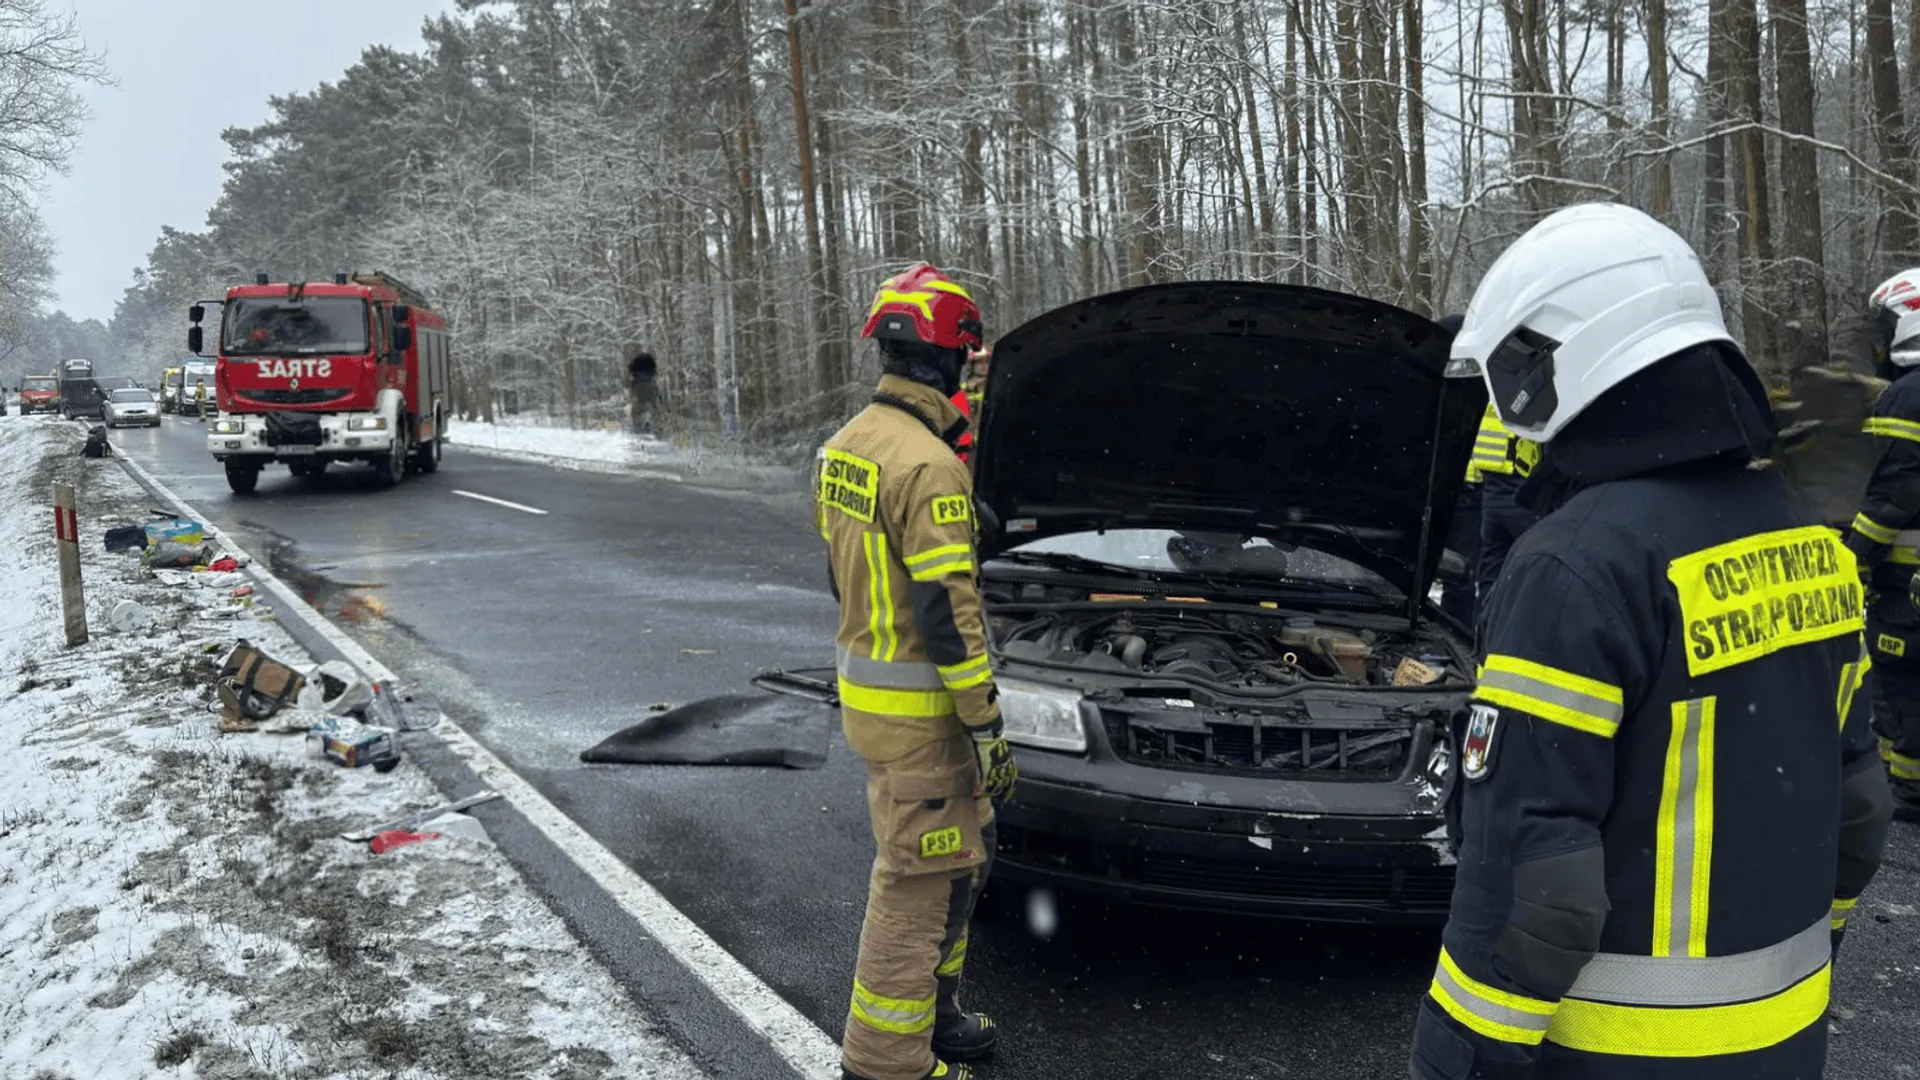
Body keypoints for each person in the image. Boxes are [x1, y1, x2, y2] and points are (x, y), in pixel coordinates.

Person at [1411, 202, 1891, 1080]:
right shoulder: (1806, 538)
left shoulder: (1573, 568)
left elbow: (1538, 886)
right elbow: (1860, 809)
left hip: (1617, 1057)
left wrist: (1455, 1060)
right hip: (1789, 1041)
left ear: (1573, 356)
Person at [815, 263, 1016, 1080]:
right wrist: (987, 725)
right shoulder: (929, 467)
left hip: (875, 700)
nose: (968, 372)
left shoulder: (847, 446)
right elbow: (946, 620)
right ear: (947, 358)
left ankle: (939, 1016)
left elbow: (848, 577)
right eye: (965, 360)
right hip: (924, 716)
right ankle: (885, 1063)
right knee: (915, 884)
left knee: (958, 859)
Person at [1844, 268, 1920, 820]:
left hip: (1905, 580)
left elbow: (1896, 489)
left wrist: (1852, 554)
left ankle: (1909, 793)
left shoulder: (1908, 395)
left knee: (1900, 682)